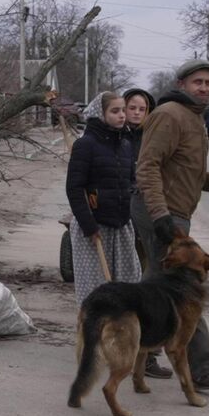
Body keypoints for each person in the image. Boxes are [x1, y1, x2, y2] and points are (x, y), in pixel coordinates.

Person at [136, 59, 209, 389]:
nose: (205, 88)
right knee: (187, 287)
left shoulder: (193, 118)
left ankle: (142, 352)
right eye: (198, 82)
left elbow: (189, 175)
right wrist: (160, 216)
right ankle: (202, 368)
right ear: (182, 84)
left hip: (173, 210)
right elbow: (148, 166)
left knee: (155, 286)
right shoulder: (169, 115)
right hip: (163, 212)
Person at [65, 92, 144, 306]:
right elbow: (74, 187)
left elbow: (130, 183)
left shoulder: (125, 144)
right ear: (101, 113)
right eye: (115, 111)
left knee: (129, 287)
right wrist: (88, 226)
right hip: (93, 229)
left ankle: (121, 333)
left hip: (121, 226)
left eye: (122, 110)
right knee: (95, 294)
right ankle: (93, 335)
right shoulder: (85, 145)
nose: (121, 116)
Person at [122, 86, 171, 379]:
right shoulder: (116, 135)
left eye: (142, 109)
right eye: (132, 108)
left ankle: (149, 355)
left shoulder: (153, 138)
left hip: (149, 220)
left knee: (149, 282)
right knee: (129, 282)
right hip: (122, 221)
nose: (137, 113)